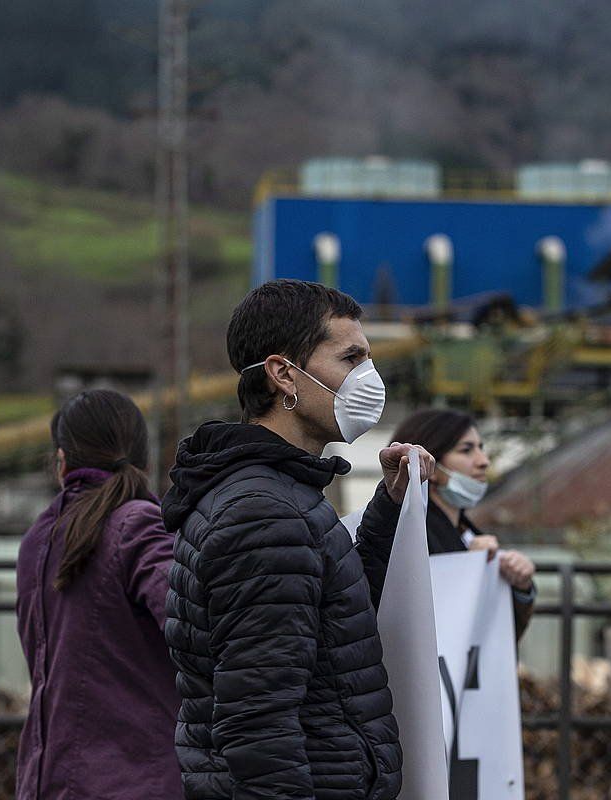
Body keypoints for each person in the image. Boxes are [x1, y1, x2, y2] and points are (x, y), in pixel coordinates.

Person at [162, 279, 433, 800]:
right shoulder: (264, 515)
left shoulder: (281, 494)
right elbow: (258, 723)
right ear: (284, 374)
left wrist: (388, 508)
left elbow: (334, 624)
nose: (368, 378)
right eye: (350, 358)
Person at [15, 389, 182, 799]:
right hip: (139, 781)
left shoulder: (38, 539)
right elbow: (194, 627)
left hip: (45, 780)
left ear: (62, 462)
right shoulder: (140, 524)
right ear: (143, 459)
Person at [392, 408, 537, 641]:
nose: (483, 461)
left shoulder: (468, 532)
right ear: (431, 465)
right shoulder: (408, 536)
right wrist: (466, 569)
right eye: (466, 450)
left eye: (481, 448)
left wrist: (521, 586)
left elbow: (498, 638)